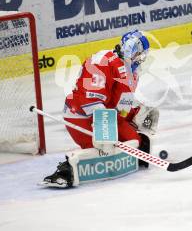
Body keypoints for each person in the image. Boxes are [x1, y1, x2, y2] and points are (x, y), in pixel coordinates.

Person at [43, 30, 160, 187]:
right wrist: (105, 130)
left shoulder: (131, 70)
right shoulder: (102, 61)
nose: (140, 59)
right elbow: (89, 99)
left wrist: (135, 113)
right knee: (104, 151)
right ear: (131, 50)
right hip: (81, 116)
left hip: (108, 115)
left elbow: (119, 103)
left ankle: (122, 145)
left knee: (135, 141)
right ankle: (67, 170)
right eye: (139, 54)